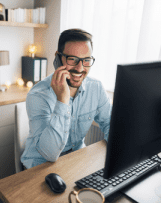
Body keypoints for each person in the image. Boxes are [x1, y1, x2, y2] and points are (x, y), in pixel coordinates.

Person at [21, 28, 112, 169]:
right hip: (40, 164)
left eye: (86, 60)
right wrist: (62, 100)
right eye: (73, 59)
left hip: (76, 158)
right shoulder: (38, 95)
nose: (80, 68)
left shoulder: (96, 88)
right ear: (58, 58)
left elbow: (110, 123)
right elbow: (49, 154)